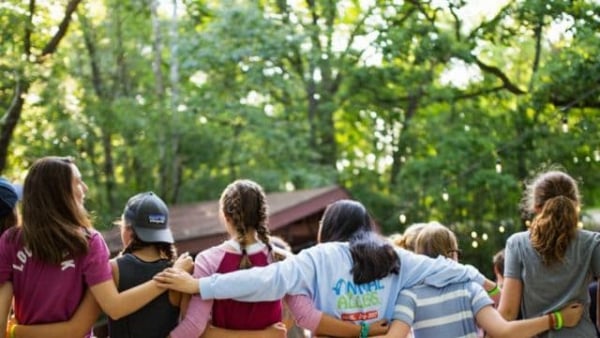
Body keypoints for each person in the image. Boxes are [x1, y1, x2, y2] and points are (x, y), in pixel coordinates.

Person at [155, 199, 499, 336]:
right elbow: (449, 268)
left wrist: (202, 286)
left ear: (327, 228)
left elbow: (262, 280)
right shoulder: (394, 257)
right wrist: (490, 286)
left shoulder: (317, 259)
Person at [169, 181, 386, 338]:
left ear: (225, 217)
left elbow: (194, 328)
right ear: (263, 217)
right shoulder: (284, 261)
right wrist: (363, 330)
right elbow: (307, 317)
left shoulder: (208, 260)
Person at [0, 156, 187, 337]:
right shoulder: (88, 242)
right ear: (59, 191)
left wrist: (15, 331)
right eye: (78, 182)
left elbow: (3, 322)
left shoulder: (10, 240)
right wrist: (170, 277)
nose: (85, 188)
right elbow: (110, 309)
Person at [386, 222, 583, 338]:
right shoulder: (469, 288)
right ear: (453, 253)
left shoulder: (408, 295)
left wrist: (359, 331)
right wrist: (557, 318)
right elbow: (504, 331)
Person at [498, 169, 600, 337]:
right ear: (576, 205)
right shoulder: (593, 243)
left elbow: (508, 314)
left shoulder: (517, 244)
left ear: (536, 207)